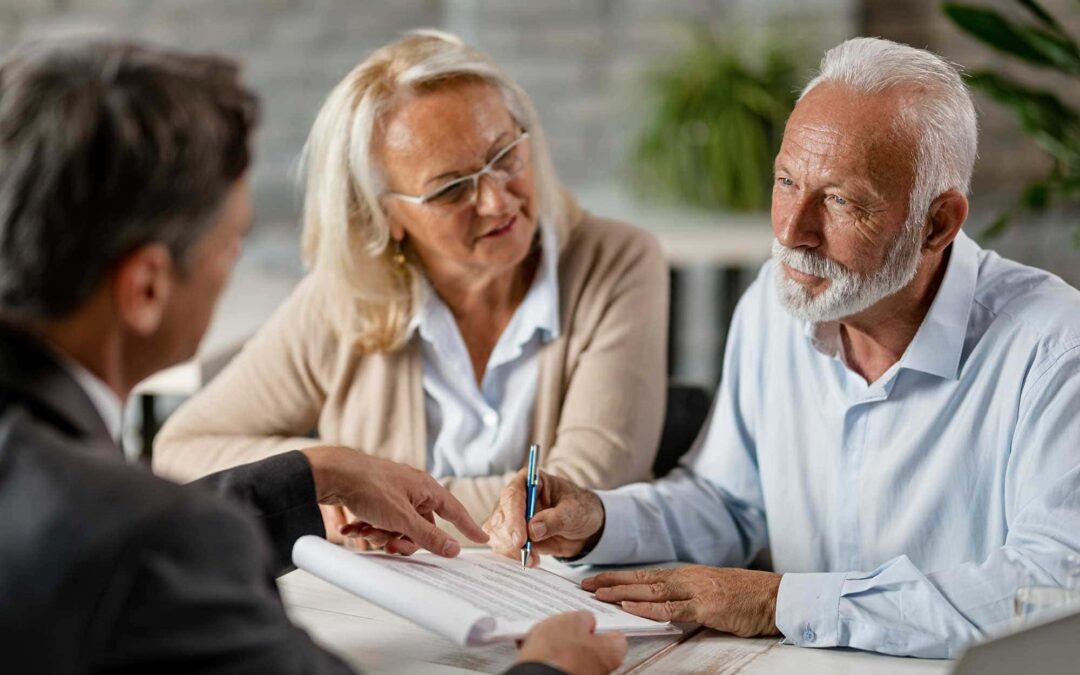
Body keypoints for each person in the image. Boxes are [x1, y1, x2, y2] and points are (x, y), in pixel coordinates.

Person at [0, 39, 627, 674]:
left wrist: (315, 471)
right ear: (147, 289)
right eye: (232, 241)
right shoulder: (160, 547)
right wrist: (550, 671)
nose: (235, 263)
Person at [485, 37, 1080, 659]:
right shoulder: (775, 304)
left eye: (841, 200)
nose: (793, 231)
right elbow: (730, 504)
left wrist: (778, 603)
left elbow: (1051, 591)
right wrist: (597, 520)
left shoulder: (1055, 349)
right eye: (787, 181)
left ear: (937, 223)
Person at [152, 30, 668, 540]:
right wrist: (328, 474)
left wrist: (376, 497)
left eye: (505, 155)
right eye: (451, 188)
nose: (497, 201)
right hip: (387, 608)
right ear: (384, 215)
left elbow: (583, 497)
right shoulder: (346, 296)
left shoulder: (618, 261)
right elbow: (181, 449)